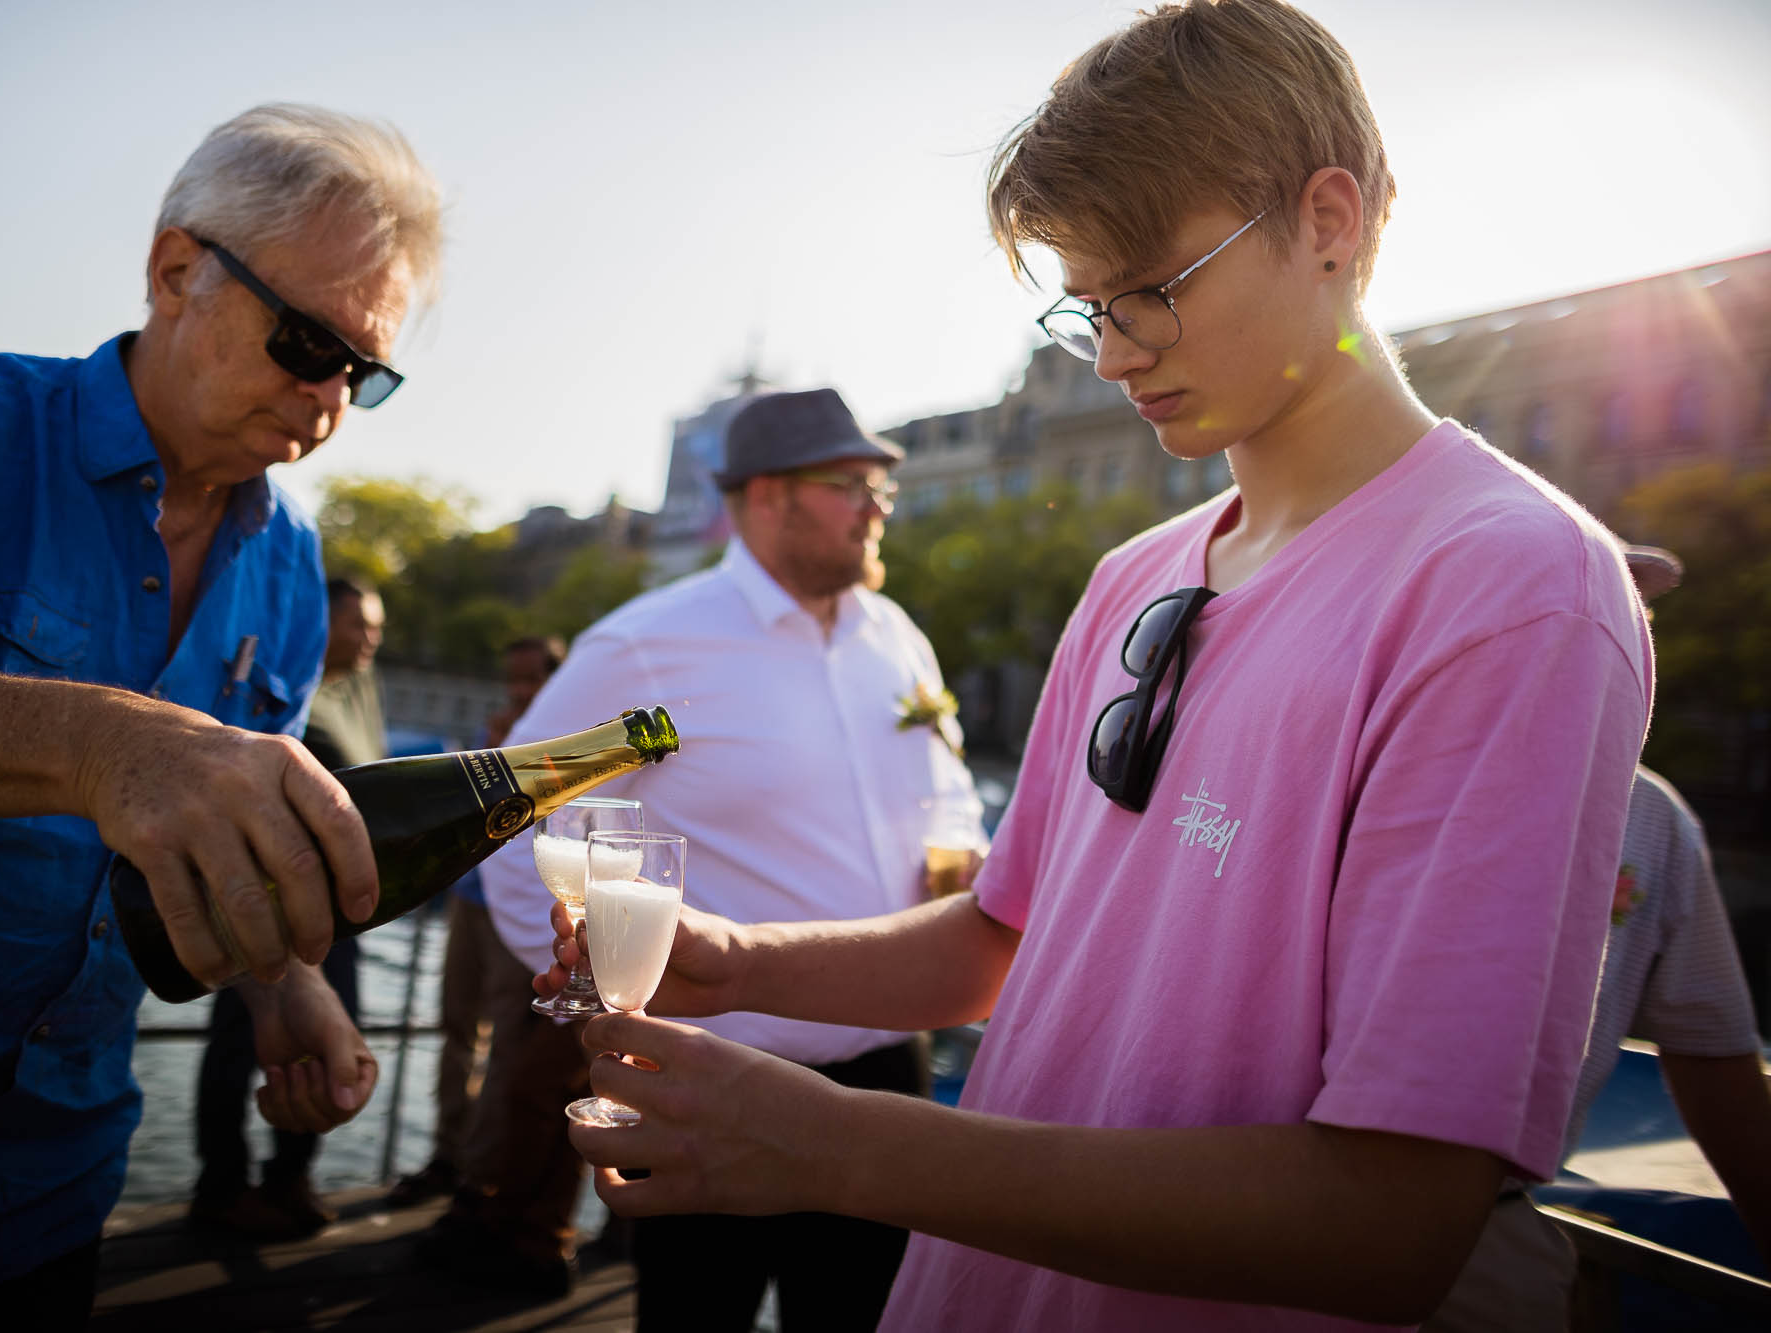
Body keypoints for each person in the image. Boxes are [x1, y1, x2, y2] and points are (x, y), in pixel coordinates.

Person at [539, 4, 1653, 1329]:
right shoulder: (1137, 573)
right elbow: (1002, 937)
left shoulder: (1513, 590)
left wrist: (830, 1145)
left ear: (1329, 220)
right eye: (1087, 308)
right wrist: (737, 963)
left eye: (1152, 289)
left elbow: (1391, 1220)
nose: (1115, 352)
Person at [0, 104, 442, 1323]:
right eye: (307, 342)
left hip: (53, 1177)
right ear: (175, 269)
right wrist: (100, 743)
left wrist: (282, 982)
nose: (328, 399)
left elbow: (235, 847)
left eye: (365, 371)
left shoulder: (292, 566)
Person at [463, 385, 983, 1326]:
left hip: (889, 1069)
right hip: (710, 1075)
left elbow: (946, 800)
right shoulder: (648, 645)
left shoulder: (898, 638)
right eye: (851, 484)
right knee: (697, 1313)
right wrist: (598, 989)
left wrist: (970, 864)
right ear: (769, 494)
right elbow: (509, 825)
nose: (877, 507)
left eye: (883, 488)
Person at [1429, 543, 1771, 1332]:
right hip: (1276, 1205)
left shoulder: (1650, 814)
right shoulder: (1369, 764)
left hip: (1483, 1237)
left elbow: (1714, 1055)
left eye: (1623, 608)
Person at [192, 576, 385, 1236]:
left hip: (345, 910)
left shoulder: (361, 690)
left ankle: (289, 1177)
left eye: (378, 625)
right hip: (264, 898)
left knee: (330, 1033)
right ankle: (220, 1186)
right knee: (236, 1039)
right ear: (322, 620)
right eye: (361, 623)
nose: (372, 637)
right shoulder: (282, 690)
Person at [389, 633, 567, 1208]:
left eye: (530, 679)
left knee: (506, 1042)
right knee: (456, 1027)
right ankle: (447, 1156)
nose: (518, 690)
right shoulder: (494, 729)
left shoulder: (566, 735)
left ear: (555, 680)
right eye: (512, 678)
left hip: (523, 909)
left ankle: (479, 1178)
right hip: (472, 895)